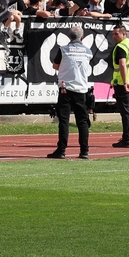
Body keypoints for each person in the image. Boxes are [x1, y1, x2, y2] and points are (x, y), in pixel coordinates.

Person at [47, 27, 93, 160]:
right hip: (81, 89)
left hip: (65, 89)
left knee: (64, 121)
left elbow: (55, 66)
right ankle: (84, 151)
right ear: (82, 38)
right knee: (82, 121)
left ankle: (61, 150)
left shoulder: (63, 49)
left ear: (69, 37)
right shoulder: (88, 51)